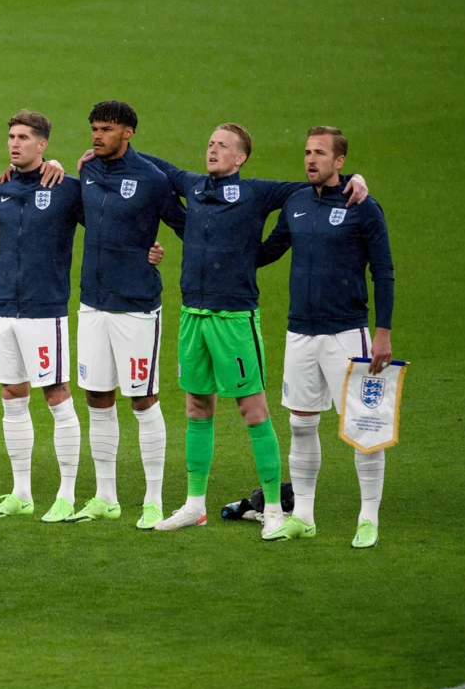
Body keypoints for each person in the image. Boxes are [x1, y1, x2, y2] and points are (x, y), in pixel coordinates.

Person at [140, 124, 367, 538]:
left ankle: (276, 509)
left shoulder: (258, 192)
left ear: (241, 157)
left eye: (222, 145)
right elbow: (158, 168)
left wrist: (353, 179)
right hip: (193, 315)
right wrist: (107, 156)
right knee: (196, 407)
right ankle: (194, 505)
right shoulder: (192, 185)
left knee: (254, 411)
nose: (212, 149)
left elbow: (313, 184)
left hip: (235, 320)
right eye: (209, 143)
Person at [256, 127, 394, 548]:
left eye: (320, 153)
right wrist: (218, 249)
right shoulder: (296, 202)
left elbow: (383, 271)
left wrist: (383, 332)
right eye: (306, 152)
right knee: (300, 425)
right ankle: (304, 516)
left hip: (348, 333)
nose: (310, 159)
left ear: (339, 162)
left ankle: (368, 518)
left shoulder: (363, 206)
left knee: (364, 427)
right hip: (300, 332)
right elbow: (269, 251)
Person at [67, 101, 184, 529]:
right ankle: (105, 496)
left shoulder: (153, 181)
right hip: (92, 302)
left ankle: (153, 499)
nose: (97, 135)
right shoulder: (88, 170)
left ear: (128, 133)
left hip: (136, 307)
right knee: (97, 397)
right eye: (94, 128)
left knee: (143, 398)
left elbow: (184, 224)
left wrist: (157, 252)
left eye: (107, 129)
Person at [0, 110, 84, 521]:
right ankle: (21, 492)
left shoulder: (65, 189)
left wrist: (148, 250)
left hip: (45, 310)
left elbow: (109, 224)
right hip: (4, 308)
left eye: (24, 137)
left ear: (42, 145)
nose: (14, 143)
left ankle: (67, 494)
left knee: (57, 397)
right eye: (11, 136)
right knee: (11, 396)